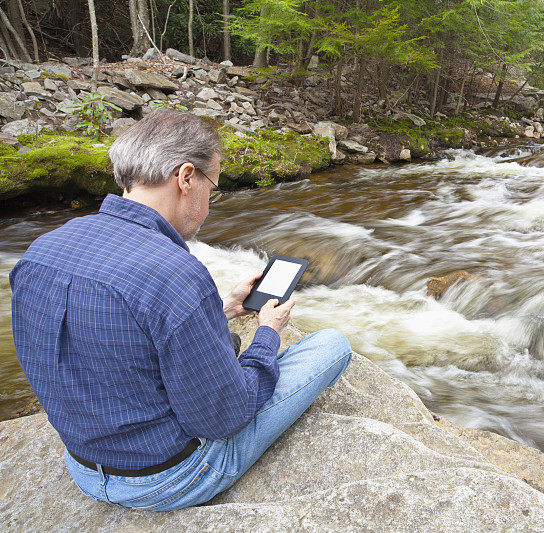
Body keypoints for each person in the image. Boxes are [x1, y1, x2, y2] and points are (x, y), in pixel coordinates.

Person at [9, 109, 352, 510]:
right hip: (167, 479)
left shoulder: (42, 250)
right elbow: (225, 418)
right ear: (186, 177)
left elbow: (110, 333)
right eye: (213, 188)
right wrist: (268, 332)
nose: (210, 203)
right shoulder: (175, 273)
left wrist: (217, 309)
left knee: (220, 344)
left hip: (83, 467)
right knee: (332, 344)